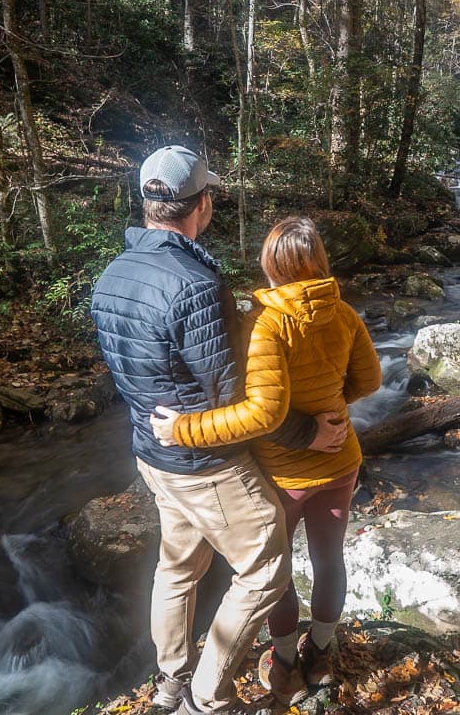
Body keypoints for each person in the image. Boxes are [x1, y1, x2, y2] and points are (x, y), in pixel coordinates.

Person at [90, 147, 347, 715]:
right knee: (266, 568)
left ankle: (170, 684)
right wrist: (309, 435)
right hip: (207, 463)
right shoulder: (196, 283)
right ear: (202, 205)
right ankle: (208, 698)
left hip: (152, 454)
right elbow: (240, 401)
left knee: (178, 567)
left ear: (148, 203)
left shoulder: (111, 275)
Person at [150, 216, 381, 706]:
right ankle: (319, 653)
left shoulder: (265, 323)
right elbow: (370, 381)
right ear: (317, 260)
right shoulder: (344, 312)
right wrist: (331, 408)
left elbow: (262, 414)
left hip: (282, 472)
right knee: (328, 560)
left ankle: (283, 662)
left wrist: (182, 430)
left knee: (277, 569)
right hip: (341, 463)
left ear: (270, 263)